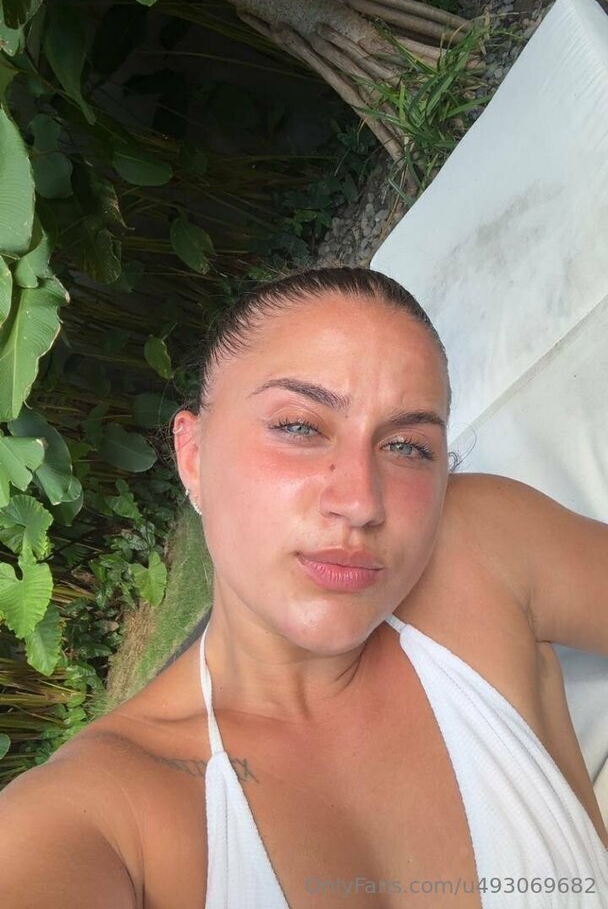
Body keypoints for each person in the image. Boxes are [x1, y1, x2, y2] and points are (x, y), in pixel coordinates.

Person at [0, 265, 607, 909]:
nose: (361, 502)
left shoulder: (480, 548)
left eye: (407, 446)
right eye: (299, 427)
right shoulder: (99, 819)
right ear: (194, 456)